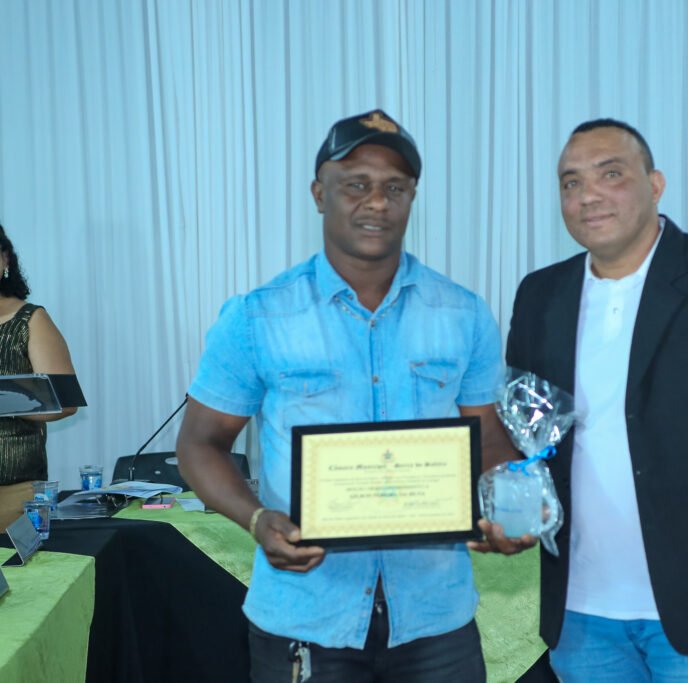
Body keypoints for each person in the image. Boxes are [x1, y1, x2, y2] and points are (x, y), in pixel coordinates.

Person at [175, 109, 512, 683]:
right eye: (356, 184)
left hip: (434, 618)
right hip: (307, 616)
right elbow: (199, 444)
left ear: (412, 198)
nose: (377, 202)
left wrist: (507, 503)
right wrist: (256, 519)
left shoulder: (463, 313)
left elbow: (489, 440)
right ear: (318, 193)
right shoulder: (258, 316)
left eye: (395, 188)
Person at [477, 119, 688, 682]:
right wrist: (507, 510)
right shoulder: (541, 294)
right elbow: (525, 430)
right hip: (580, 611)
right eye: (571, 183)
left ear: (655, 184)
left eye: (610, 174)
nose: (588, 196)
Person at [0, 223, 78, 529]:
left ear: (5, 259)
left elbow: (65, 400)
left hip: (12, 492)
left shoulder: (30, 319)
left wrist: (5, 399)